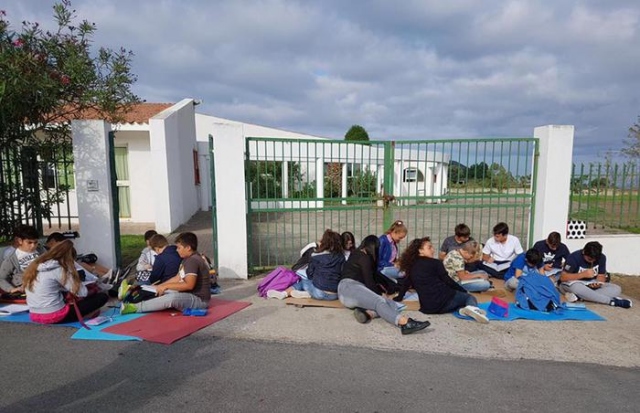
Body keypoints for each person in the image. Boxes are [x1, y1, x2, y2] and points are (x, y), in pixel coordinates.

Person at [337, 235, 431, 335]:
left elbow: (375, 277)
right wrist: (381, 294)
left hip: (350, 292)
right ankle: (405, 323)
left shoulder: (357, 253)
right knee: (380, 301)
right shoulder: (364, 258)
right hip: (349, 288)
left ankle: (368, 313)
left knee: (390, 303)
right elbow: (370, 283)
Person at [396, 237, 488, 323]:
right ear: (420, 251)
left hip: (427, 308)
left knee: (458, 300)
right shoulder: (435, 263)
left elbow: (406, 283)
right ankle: (474, 309)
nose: (433, 250)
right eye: (429, 247)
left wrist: (400, 297)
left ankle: (464, 310)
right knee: (470, 298)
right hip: (444, 303)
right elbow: (447, 281)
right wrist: (464, 292)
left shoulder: (411, 265)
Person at [120, 232, 211, 314]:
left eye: (179, 247)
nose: (177, 250)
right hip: (189, 295)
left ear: (188, 248)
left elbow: (189, 285)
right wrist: (160, 286)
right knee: (159, 290)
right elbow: (177, 278)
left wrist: (166, 286)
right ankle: (132, 296)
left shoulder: (193, 260)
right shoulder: (187, 259)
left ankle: (135, 307)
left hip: (199, 300)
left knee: (172, 298)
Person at [23, 240, 108, 324]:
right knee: (102, 297)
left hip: (34, 314)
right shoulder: (60, 269)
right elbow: (82, 292)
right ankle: (89, 315)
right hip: (55, 315)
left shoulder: (34, 266)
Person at [268, 229, 345, 301]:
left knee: (303, 282)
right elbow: (343, 273)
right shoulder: (341, 257)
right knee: (316, 285)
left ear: (323, 242)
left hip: (319, 292)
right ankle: (308, 294)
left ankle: (284, 294)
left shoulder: (316, 256)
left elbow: (309, 274)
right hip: (335, 294)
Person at [559, 241, 632, 308]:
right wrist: (582, 274)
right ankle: (611, 301)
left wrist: (598, 283)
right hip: (573, 283)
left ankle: (581, 297)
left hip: (590, 284)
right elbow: (563, 277)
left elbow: (601, 276)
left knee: (616, 289)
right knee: (577, 288)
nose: (592, 261)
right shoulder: (574, 257)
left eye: (595, 259)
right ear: (584, 252)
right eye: (590, 259)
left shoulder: (602, 258)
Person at [0, 225, 44, 294]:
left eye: (35, 242)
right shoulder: (12, 258)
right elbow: (1, 278)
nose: (33, 246)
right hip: (26, 289)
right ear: (20, 241)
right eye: (29, 242)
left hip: (44, 285)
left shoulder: (41, 250)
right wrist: (11, 289)